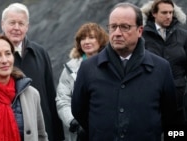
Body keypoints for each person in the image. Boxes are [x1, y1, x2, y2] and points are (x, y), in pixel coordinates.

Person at [71, 2, 177, 141]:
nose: (117, 33)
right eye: (113, 27)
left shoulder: (161, 68)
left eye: (125, 27)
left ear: (140, 31)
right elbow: (79, 111)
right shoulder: (88, 68)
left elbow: (169, 116)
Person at [1, 3, 64, 141]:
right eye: (12, 23)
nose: (16, 28)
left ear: (27, 27)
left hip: (41, 131)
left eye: (21, 23)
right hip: (6, 131)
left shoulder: (40, 52)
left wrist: (58, 135)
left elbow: (50, 94)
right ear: (2, 24)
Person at [56, 22, 108, 141]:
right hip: (81, 132)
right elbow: (62, 99)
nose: (86, 42)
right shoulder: (70, 69)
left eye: (91, 37)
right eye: (83, 38)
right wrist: (72, 121)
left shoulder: (111, 64)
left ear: (101, 40)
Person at [141, 0, 187, 126]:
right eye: (164, 12)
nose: (169, 16)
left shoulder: (183, 36)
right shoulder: (142, 36)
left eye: (171, 13)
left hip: (178, 99)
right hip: (150, 99)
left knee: (176, 135)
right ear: (154, 13)